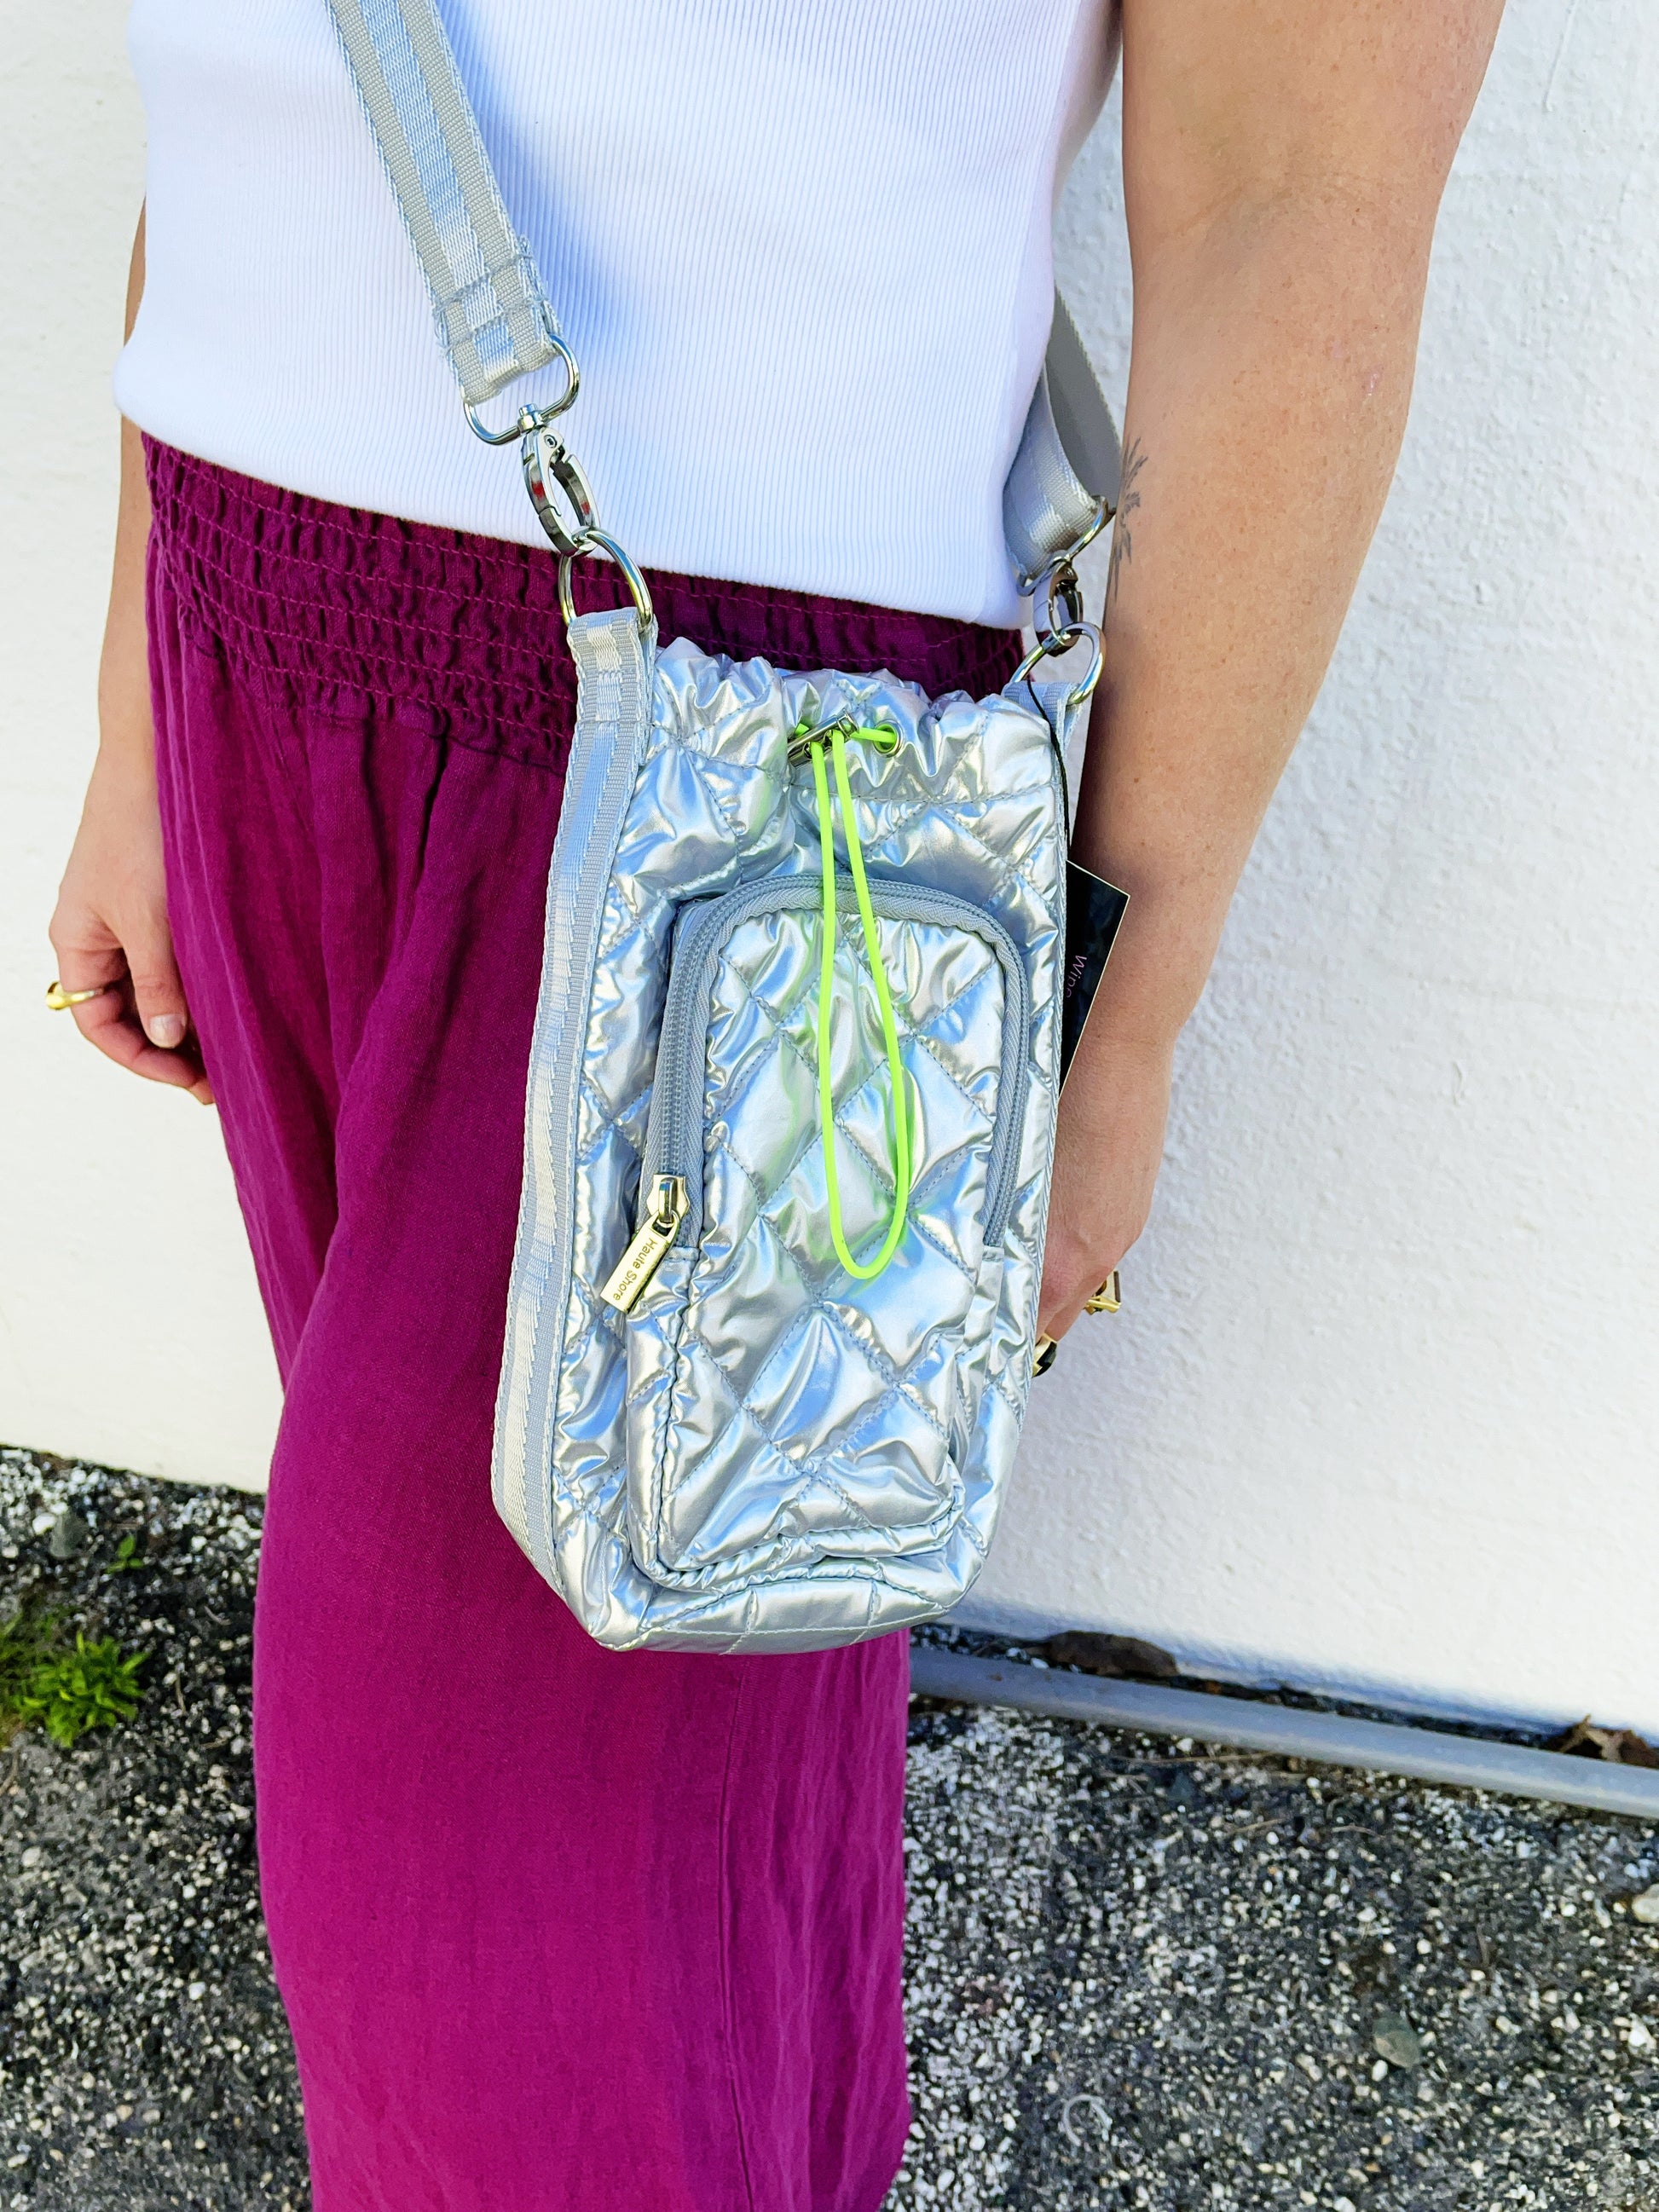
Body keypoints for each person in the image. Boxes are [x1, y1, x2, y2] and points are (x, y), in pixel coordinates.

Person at [49, 2, 1505, 2205]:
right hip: (249, 639)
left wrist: (1106, 1018)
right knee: (643, 1865)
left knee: (505, 1949)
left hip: (745, 818)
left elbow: (1291, 212)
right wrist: (135, 713)